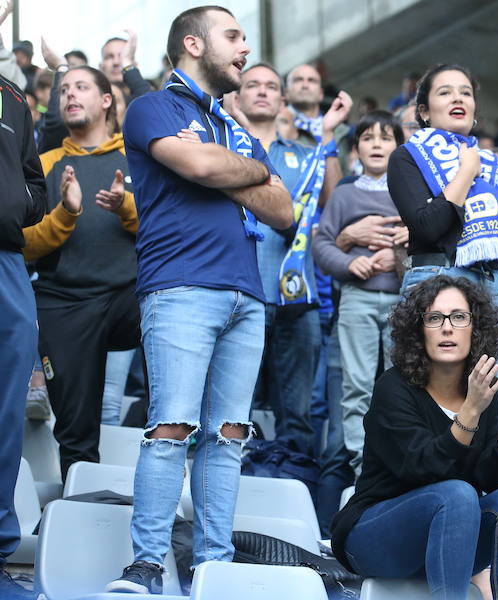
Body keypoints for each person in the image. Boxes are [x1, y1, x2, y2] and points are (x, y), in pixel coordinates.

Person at [107, 6, 292, 593]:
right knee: (170, 430)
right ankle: (148, 565)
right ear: (193, 43)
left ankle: (214, 563)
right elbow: (197, 164)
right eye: (233, 36)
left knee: (230, 436)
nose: (245, 48)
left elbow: (284, 209)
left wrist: (229, 166)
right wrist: (246, 172)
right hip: (181, 286)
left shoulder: (233, 126)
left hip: (246, 295)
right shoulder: (152, 107)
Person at [331, 275, 498, 599]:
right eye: (434, 318)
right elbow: (421, 468)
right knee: (455, 494)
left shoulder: (487, 392)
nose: (447, 327)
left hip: (454, 535)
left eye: (459, 317)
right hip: (375, 537)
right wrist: (470, 410)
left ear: (475, 328)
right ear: (419, 331)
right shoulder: (394, 387)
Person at [387, 63, 498, 378]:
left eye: (465, 93)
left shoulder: (496, 167)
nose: (457, 98)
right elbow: (428, 226)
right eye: (445, 92)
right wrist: (466, 173)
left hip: (497, 287)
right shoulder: (408, 157)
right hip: (436, 280)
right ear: (424, 112)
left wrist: (488, 195)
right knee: (436, 405)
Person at [22, 66, 139, 478]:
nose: (69, 95)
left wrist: (125, 206)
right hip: (65, 303)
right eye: (64, 89)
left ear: (107, 100)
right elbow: (24, 243)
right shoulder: (45, 162)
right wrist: (66, 213)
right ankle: (80, 517)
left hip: (132, 297)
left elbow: (167, 229)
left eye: (82, 87)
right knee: (75, 434)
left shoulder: (137, 158)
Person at [230, 62, 349, 456]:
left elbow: (336, 206)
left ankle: (293, 482)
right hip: (239, 291)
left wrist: (327, 136)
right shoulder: (225, 148)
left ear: (283, 101)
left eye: (270, 86)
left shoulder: (306, 155)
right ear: (237, 95)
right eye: (252, 85)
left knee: (297, 417)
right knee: (233, 409)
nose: (262, 91)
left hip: (297, 298)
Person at [314, 110, 407, 475]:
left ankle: (401, 465)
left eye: (386, 138)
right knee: (357, 386)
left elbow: (431, 240)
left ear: (400, 148)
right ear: (356, 149)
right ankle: (362, 466)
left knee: (404, 385)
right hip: (357, 299)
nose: (377, 144)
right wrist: (348, 263)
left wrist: (397, 254)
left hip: (405, 301)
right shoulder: (345, 193)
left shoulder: (410, 193)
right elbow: (321, 244)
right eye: (368, 138)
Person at [0, 73, 48, 600]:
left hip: (7, 262)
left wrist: (18, 203)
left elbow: (33, 182)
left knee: (5, 412)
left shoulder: (12, 95)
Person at [285, 62, 351, 173]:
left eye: (311, 80)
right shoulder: (275, 127)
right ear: (286, 93)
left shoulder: (340, 131)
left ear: (321, 93)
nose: (305, 85)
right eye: (298, 80)